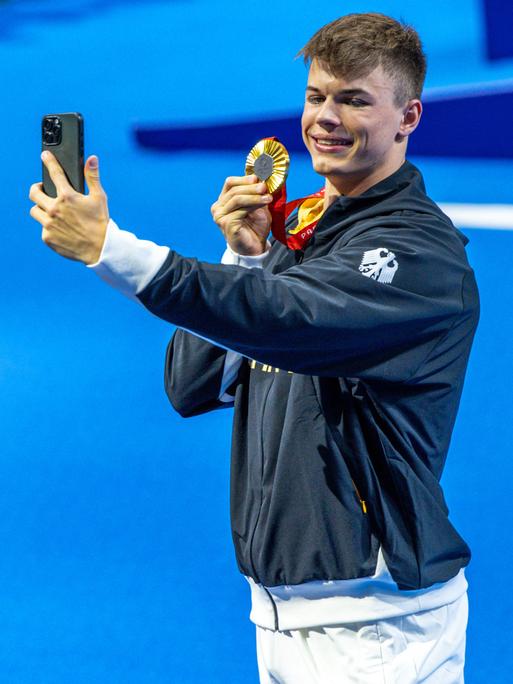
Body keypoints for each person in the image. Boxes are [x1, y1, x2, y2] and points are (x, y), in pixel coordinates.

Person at [29, 12, 479, 683]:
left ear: (407, 116)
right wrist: (246, 256)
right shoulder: (303, 235)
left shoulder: (415, 256)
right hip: (285, 615)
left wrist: (110, 250)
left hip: (375, 627)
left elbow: (286, 320)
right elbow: (192, 385)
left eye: (354, 100)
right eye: (316, 96)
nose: (325, 117)